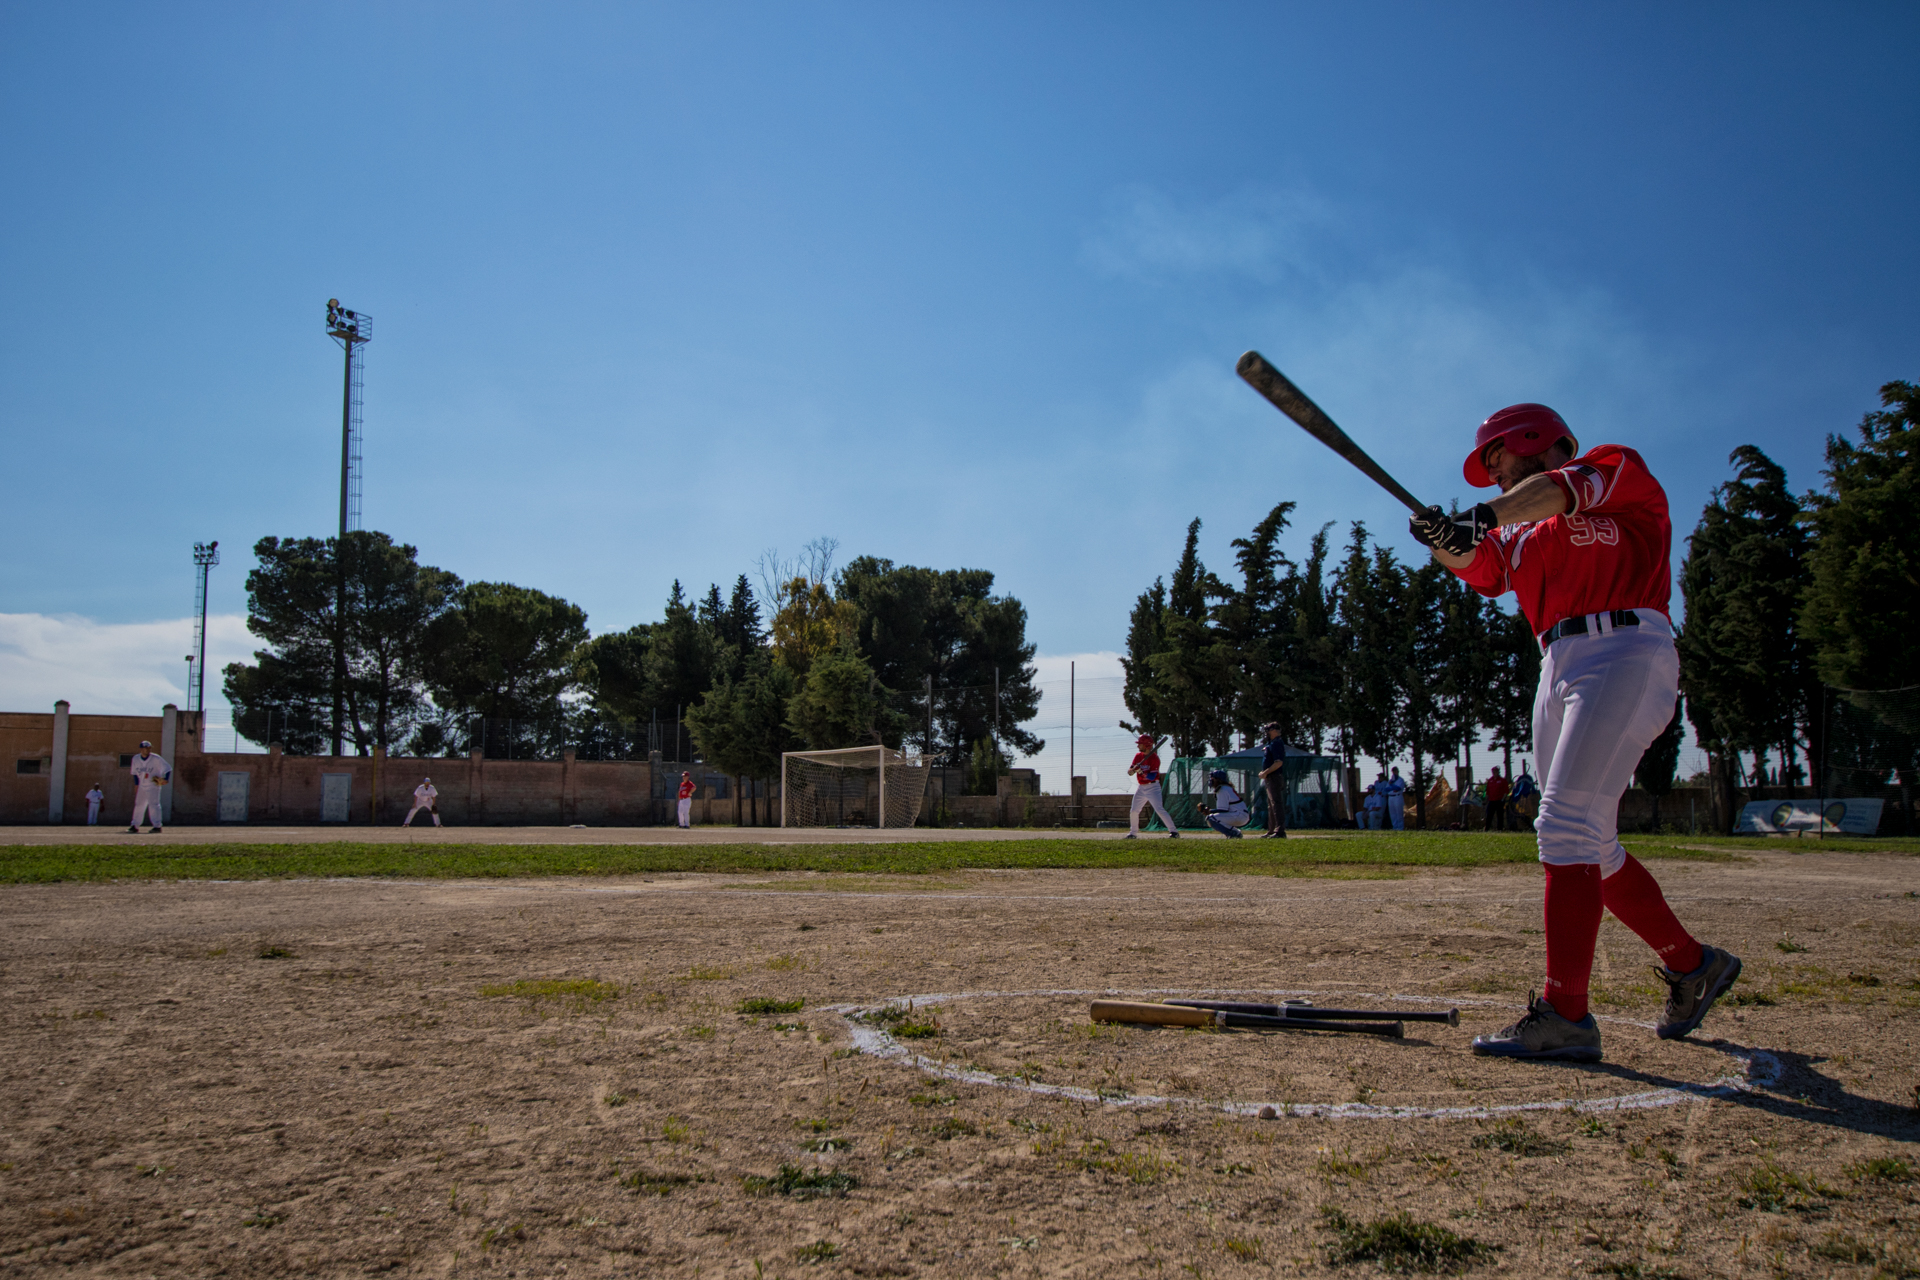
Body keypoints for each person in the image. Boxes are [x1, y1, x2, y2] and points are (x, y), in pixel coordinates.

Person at [1411, 401, 1741, 1061]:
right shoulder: (1520, 531)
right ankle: (1693, 965)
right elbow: (1484, 571)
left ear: (1528, 441)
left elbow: (1553, 495)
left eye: (1496, 461)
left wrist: (1480, 518)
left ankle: (1566, 1014)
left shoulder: (1613, 471)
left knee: (1564, 826)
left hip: (1626, 648)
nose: (1495, 477)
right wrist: (1443, 541)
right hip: (1557, 663)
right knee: (1595, 845)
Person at [1123, 734, 1179, 839]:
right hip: (1141, 787)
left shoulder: (1154, 758)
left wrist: (1142, 772)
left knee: (1159, 809)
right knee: (1134, 810)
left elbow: (1152, 776)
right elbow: (1129, 772)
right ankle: (1133, 833)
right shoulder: (1138, 756)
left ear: (1146, 745)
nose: (1138, 746)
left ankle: (1174, 832)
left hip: (1153, 787)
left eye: (1140, 744)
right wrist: (1133, 770)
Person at [1253, 722, 1290, 839]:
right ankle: (1271, 830)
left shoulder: (1277, 743)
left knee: (1276, 804)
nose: (1268, 732)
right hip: (1270, 778)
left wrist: (1265, 772)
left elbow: (1278, 762)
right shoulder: (1271, 743)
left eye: (1270, 730)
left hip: (1274, 777)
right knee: (1271, 805)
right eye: (1269, 730)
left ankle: (1280, 831)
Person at [126, 740, 169, 833]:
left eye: (148, 748)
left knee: (154, 805)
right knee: (139, 805)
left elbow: (168, 768)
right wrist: (136, 785)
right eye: (145, 748)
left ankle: (157, 826)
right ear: (141, 749)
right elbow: (134, 773)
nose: (147, 750)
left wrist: (166, 779)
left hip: (153, 785)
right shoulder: (136, 759)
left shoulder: (156, 758)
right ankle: (135, 826)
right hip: (142, 785)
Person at [1199, 769, 1250, 839]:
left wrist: (1210, 811)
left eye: (1213, 778)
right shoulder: (1225, 788)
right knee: (1212, 817)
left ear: (1218, 779)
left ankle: (1234, 833)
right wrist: (1210, 811)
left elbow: (1223, 810)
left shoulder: (1222, 789)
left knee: (1211, 818)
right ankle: (1235, 832)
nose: (1211, 780)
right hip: (1240, 814)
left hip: (1239, 815)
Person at [1484, 766, 1511, 832]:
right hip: (1491, 801)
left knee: (1500, 815)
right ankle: (1486, 829)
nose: (1494, 773)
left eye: (1495, 771)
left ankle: (1499, 829)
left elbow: (1506, 791)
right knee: (1489, 815)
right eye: (1493, 772)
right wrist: (1486, 799)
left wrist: (1503, 799)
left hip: (1499, 801)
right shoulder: (1490, 780)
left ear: (1498, 772)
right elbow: (1487, 791)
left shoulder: (1502, 780)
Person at [1384, 766, 1407, 831]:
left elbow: (1398, 788)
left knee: (1399, 813)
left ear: (1397, 771)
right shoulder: (1390, 780)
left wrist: (1392, 786)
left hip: (1397, 796)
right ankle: (1395, 827)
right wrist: (1393, 787)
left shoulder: (1400, 780)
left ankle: (1400, 827)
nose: (1394, 772)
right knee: (1392, 813)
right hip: (1391, 797)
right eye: (1393, 771)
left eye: (1395, 771)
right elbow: (1386, 789)